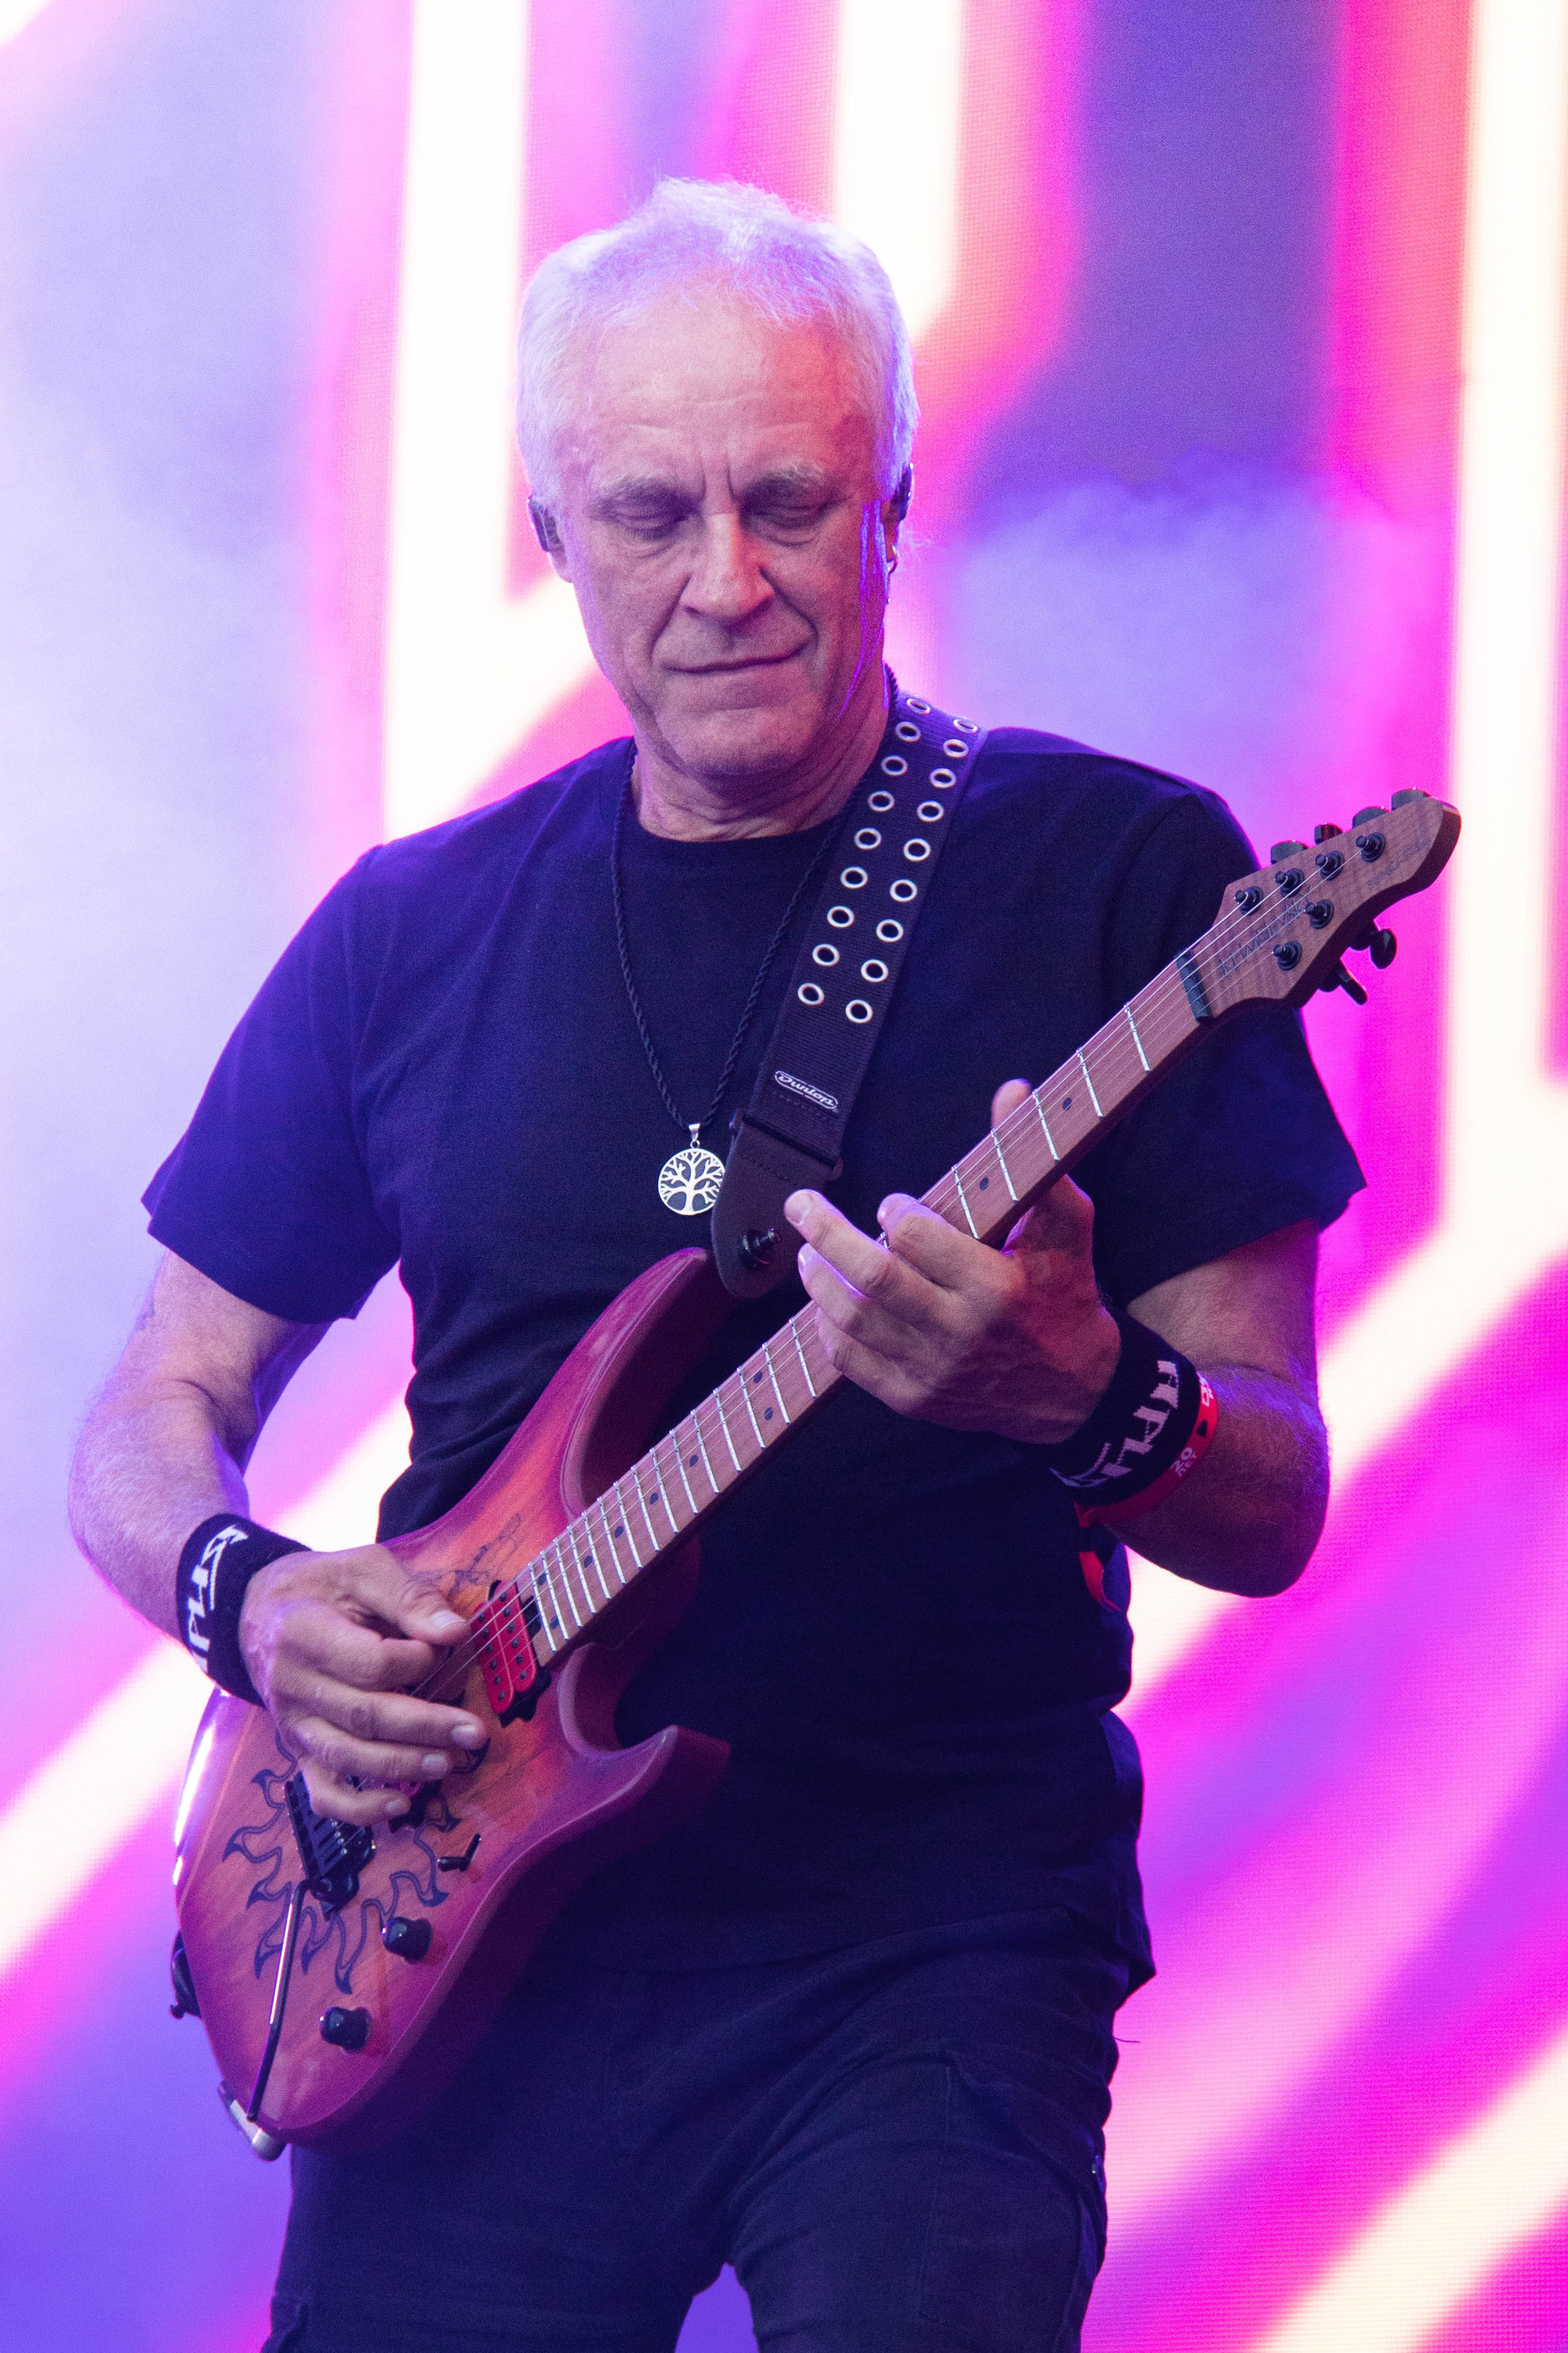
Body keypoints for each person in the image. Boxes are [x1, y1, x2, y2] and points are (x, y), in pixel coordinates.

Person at [70, 180, 1362, 2352]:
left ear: (897, 504)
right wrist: (254, 1600)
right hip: (458, 1940)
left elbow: (1277, 1491)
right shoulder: (410, 930)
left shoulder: (1122, 877)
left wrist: (1090, 1399)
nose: (727, 579)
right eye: (651, 515)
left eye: (790, 501)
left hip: (925, 1930)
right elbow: (150, 1407)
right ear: (553, 538)